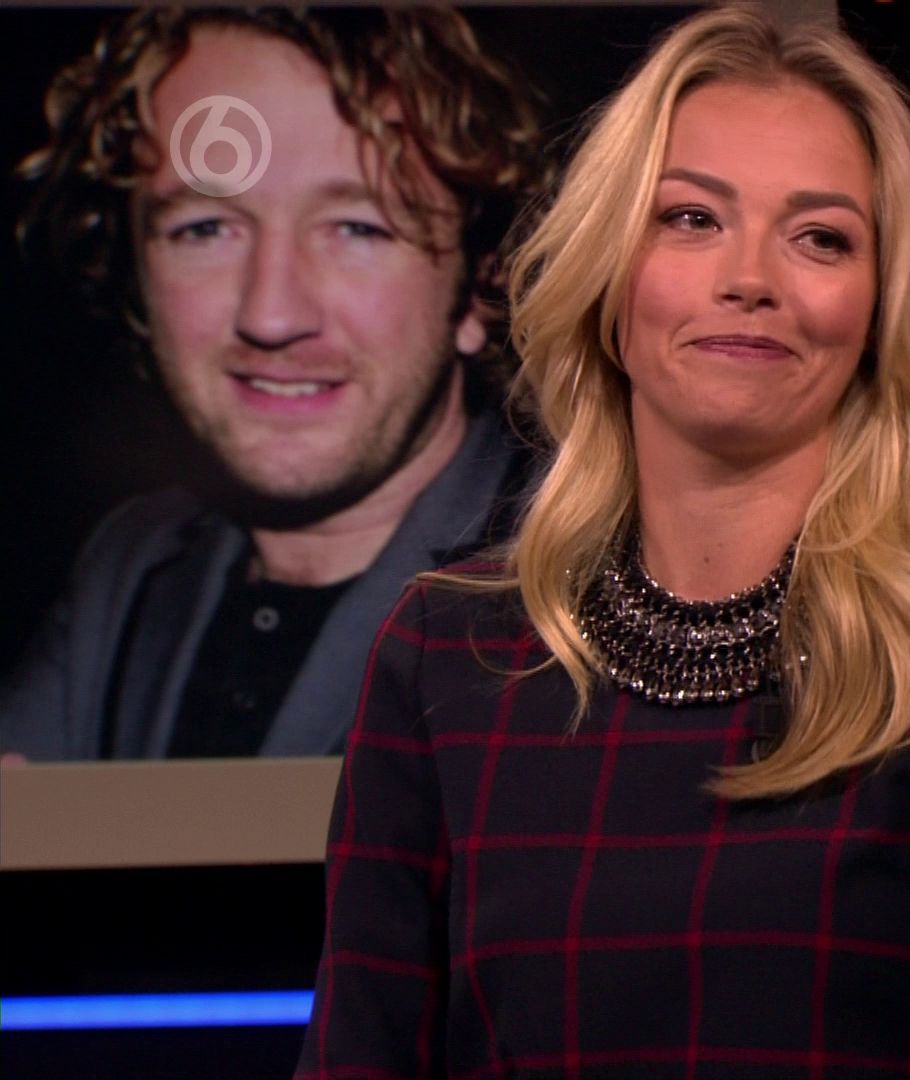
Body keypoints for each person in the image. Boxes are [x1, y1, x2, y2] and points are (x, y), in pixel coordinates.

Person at [296, 5, 910, 1077]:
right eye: (691, 219)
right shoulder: (446, 652)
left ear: (880, 306)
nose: (752, 279)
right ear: (610, 271)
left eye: (821, 237)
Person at [0, 7, 549, 760]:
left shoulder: (597, 588)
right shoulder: (130, 571)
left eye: (358, 227)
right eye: (205, 229)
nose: (272, 314)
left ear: (480, 282)